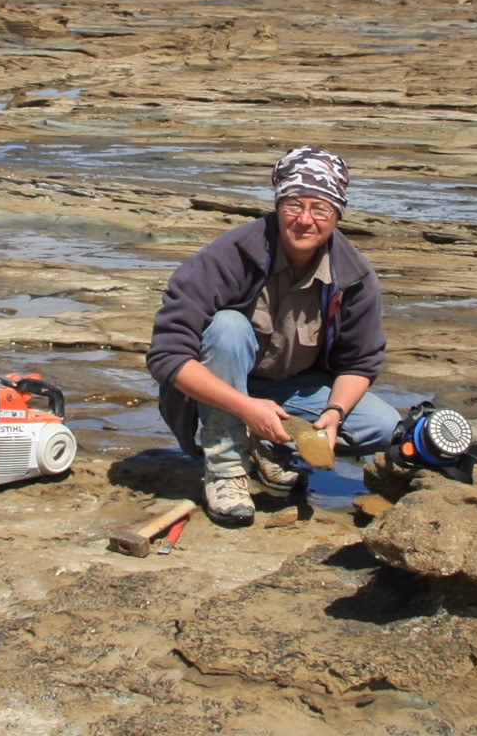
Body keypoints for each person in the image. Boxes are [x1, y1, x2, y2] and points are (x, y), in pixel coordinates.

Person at [146, 145, 401, 526]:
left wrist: (333, 413)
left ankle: (267, 447)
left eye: (320, 209)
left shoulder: (355, 276)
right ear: (278, 204)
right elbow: (166, 356)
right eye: (294, 205)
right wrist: (245, 407)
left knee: (381, 426)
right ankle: (226, 469)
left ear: (337, 215)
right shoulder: (232, 255)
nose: (305, 219)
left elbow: (360, 363)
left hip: (291, 392)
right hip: (221, 388)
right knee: (228, 327)